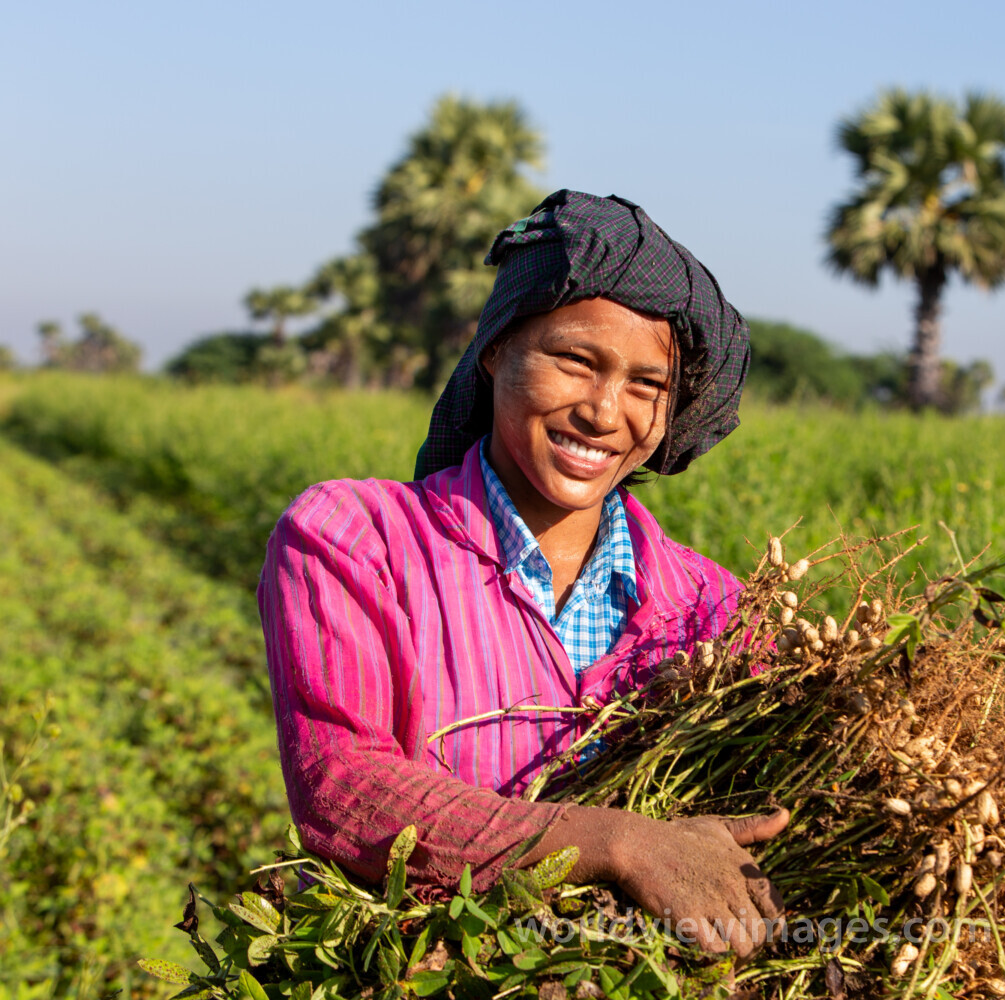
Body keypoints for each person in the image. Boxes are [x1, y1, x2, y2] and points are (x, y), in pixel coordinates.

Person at [259, 191, 787, 958]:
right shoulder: (354, 537)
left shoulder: (712, 604)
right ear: (497, 350)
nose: (606, 412)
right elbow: (342, 786)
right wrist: (616, 843)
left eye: (648, 385)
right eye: (575, 360)